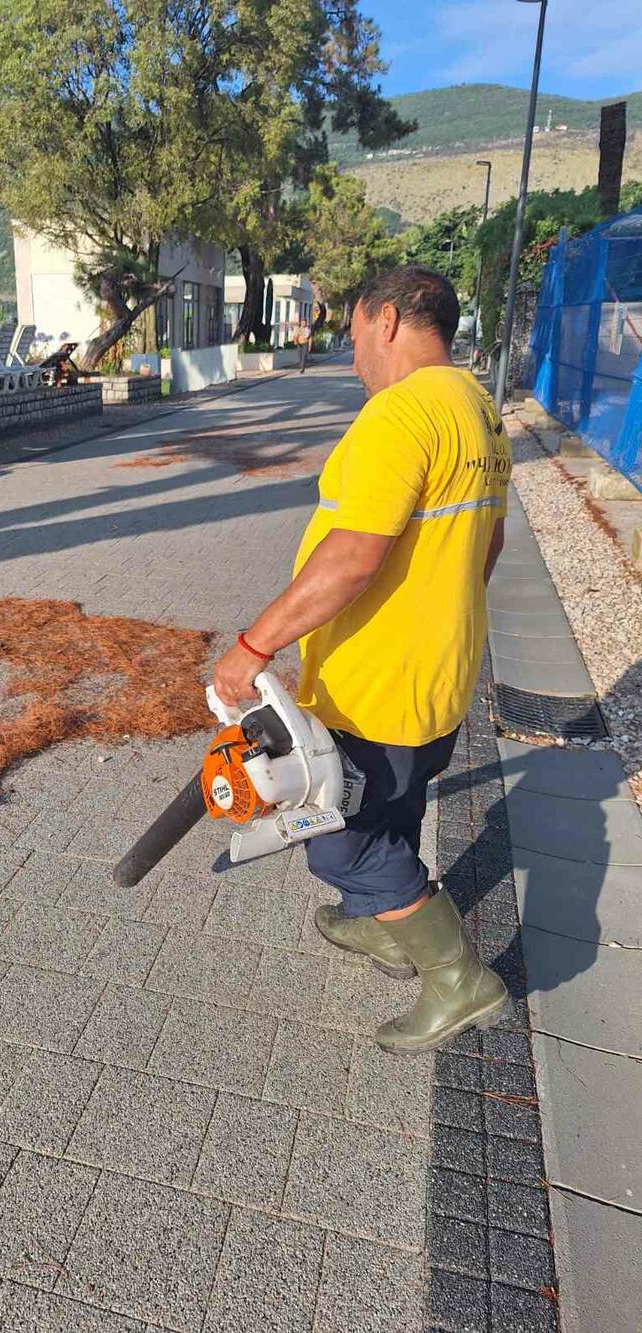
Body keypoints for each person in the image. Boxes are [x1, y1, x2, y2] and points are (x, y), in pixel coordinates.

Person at [212, 265, 511, 1055]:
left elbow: (350, 558)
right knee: (392, 805)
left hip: (378, 682)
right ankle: (382, 923)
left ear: (386, 320)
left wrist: (253, 645)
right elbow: (489, 546)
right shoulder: (479, 409)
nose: (353, 362)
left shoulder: (401, 413)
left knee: (338, 836)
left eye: (353, 340)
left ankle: (458, 980)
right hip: (441, 672)